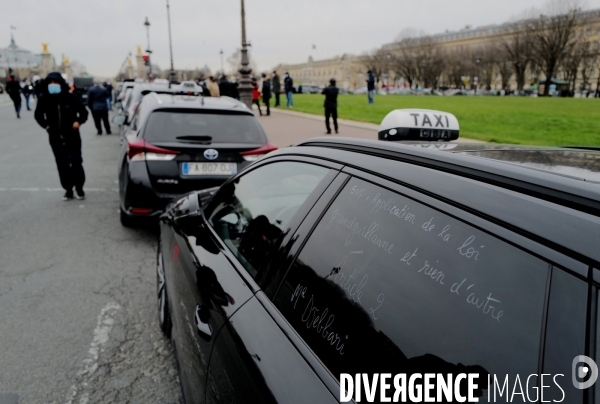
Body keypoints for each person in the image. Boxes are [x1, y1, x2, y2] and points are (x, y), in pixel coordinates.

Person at [34, 72, 89, 201]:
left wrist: (78, 122)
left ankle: (79, 188)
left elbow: (84, 112)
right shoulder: (44, 99)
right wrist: (46, 125)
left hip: (72, 135)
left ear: (61, 83)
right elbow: (38, 115)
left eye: (55, 82)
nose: (53, 85)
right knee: (62, 164)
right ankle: (68, 189)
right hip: (55, 137)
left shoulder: (71, 97)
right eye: (50, 83)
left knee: (76, 161)